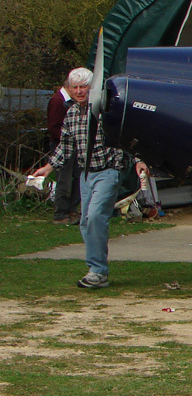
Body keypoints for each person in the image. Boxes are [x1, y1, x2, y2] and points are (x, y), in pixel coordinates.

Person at [31, 68, 148, 289]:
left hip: (109, 170)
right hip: (86, 173)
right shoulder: (72, 114)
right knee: (86, 222)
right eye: (74, 87)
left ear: (92, 87)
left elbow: (129, 135)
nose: (79, 91)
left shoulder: (108, 110)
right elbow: (65, 147)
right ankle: (97, 269)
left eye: (83, 87)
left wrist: (138, 161)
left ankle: (97, 271)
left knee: (95, 217)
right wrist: (47, 168)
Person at [46, 69, 88, 224]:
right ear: (69, 88)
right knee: (64, 180)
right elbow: (54, 128)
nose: (78, 91)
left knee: (77, 178)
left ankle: (72, 210)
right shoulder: (58, 102)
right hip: (61, 145)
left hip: (74, 146)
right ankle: (61, 213)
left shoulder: (74, 104)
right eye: (75, 87)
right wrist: (71, 138)